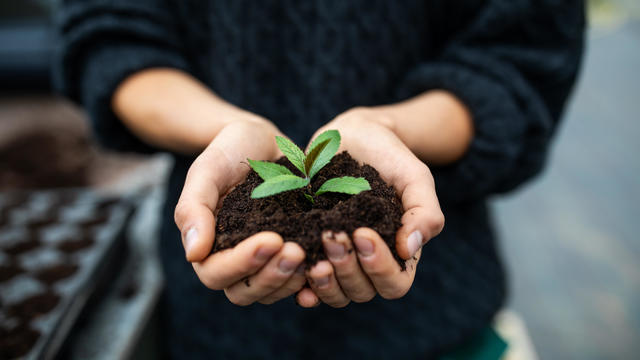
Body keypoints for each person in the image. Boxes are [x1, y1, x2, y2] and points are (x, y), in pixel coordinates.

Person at [56, 1, 584, 358]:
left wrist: (390, 126)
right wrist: (224, 129)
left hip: (438, 321)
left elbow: (520, 56)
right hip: (208, 331)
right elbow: (111, 36)